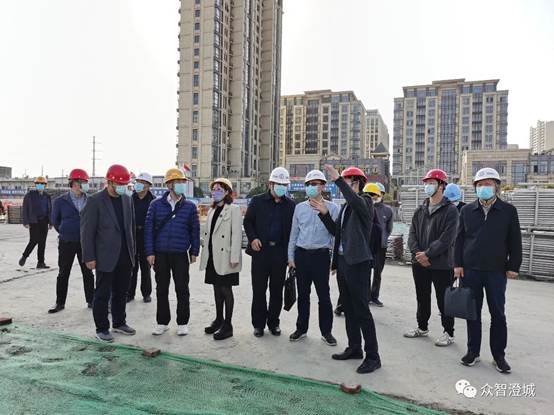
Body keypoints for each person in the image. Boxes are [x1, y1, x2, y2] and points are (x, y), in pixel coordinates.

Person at [455, 167, 522, 373]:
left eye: (488, 184)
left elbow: (515, 241)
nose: (484, 187)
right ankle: (472, 352)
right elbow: (459, 239)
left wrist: (513, 266)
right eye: (480, 185)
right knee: (472, 313)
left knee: (498, 314)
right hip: (471, 271)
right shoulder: (467, 211)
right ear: (475, 187)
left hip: (496, 271)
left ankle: (498, 356)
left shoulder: (508, 211)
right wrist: (457, 265)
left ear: (496, 187)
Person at [320, 165, 381, 374]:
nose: (343, 185)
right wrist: (324, 214)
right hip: (344, 262)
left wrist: (337, 179)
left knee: (362, 310)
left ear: (356, 182)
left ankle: (373, 356)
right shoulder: (346, 207)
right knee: (349, 308)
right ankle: (354, 347)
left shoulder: (365, 202)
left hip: (359, 263)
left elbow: (356, 201)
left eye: (346, 181)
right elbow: (336, 232)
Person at [81, 164, 137, 342]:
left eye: (125, 184)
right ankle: (102, 328)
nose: (122, 187)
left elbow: (131, 228)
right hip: (105, 256)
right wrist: (89, 257)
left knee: (121, 292)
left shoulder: (127, 200)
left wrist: (133, 251)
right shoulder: (95, 201)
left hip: (125, 255)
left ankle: (119, 322)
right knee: (102, 294)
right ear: (110, 182)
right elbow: (87, 231)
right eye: (119, 184)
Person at [405, 169, 459, 347]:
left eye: (432, 183)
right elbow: (412, 235)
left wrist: (428, 254)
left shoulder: (451, 211)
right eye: (426, 183)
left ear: (442, 185)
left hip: (442, 264)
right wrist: (418, 255)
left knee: (444, 299)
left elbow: (447, 239)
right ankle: (422, 327)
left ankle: (448, 332)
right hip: (419, 263)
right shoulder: (419, 210)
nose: (428, 186)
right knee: (422, 297)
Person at [144, 168, 200, 337]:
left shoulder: (190, 207)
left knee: (182, 288)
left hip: (180, 254)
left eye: (183, 182)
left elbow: (195, 231)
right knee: (161, 289)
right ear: (169, 185)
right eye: (178, 182)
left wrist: (194, 251)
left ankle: (182, 323)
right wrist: (150, 252)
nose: (182, 185)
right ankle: (162, 322)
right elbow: (148, 230)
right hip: (160, 253)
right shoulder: (155, 205)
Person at [287, 170, 339, 346]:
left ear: (323, 186)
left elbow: (336, 236)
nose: (311, 187)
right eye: (308, 184)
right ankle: (301, 329)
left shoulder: (333, 208)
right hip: (302, 255)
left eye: (315, 184)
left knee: (324, 295)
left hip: (321, 256)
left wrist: (335, 262)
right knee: (303, 295)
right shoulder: (299, 208)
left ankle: (326, 332)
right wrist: (291, 257)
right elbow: (294, 234)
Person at [243, 166, 295, 337]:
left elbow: (293, 232)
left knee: (276, 290)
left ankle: (274, 323)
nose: (281, 187)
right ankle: (258, 324)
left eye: (284, 185)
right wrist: (253, 238)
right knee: (259, 290)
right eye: (278, 184)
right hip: (261, 252)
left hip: (280, 253)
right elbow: (248, 222)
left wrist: (291, 256)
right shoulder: (257, 201)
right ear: (270, 184)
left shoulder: (290, 205)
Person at [199, 178, 242, 340]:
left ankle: (228, 325)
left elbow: (237, 235)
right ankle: (218, 320)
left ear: (227, 192)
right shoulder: (212, 210)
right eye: (214, 189)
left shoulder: (234, 209)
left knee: (226, 289)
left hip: (226, 256)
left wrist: (234, 256)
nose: (215, 192)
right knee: (216, 288)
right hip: (212, 255)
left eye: (219, 189)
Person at [48, 168, 95, 313]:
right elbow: (55, 221)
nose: (85, 185)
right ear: (74, 183)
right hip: (66, 242)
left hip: (85, 243)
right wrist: (65, 231)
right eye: (83, 182)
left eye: (86, 182)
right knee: (63, 273)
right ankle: (59, 303)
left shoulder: (90, 200)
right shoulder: (60, 201)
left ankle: (91, 300)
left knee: (88, 272)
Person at [363, 182, 393, 307]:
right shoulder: (364, 207)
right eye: (371, 194)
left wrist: (382, 238)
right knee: (365, 272)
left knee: (377, 273)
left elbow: (389, 229)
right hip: (366, 245)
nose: (375, 196)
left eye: (377, 194)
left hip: (380, 246)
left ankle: (374, 297)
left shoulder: (388, 210)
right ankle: (365, 297)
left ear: (382, 194)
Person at [128, 172, 155, 303]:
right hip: (132, 236)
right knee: (131, 267)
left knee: (145, 267)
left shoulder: (153, 201)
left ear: (148, 186)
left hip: (146, 236)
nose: (139, 185)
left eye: (143, 183)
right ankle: (129, 293)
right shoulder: (129, 199)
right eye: (138, 182)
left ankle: (146, 293)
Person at [19, 176, 52, 269]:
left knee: (42, 242)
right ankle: (24, 256)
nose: (40, 185)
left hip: (44, 221)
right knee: (34, 240)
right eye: (38, 184)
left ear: (45, 185)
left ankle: (41, 262)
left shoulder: (47, 196)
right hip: (34, 221)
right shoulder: (29, 195)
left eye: (42, 184)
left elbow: (50, 209)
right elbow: (25, 208)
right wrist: (26, 221)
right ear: (35, 185)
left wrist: (51, 222)